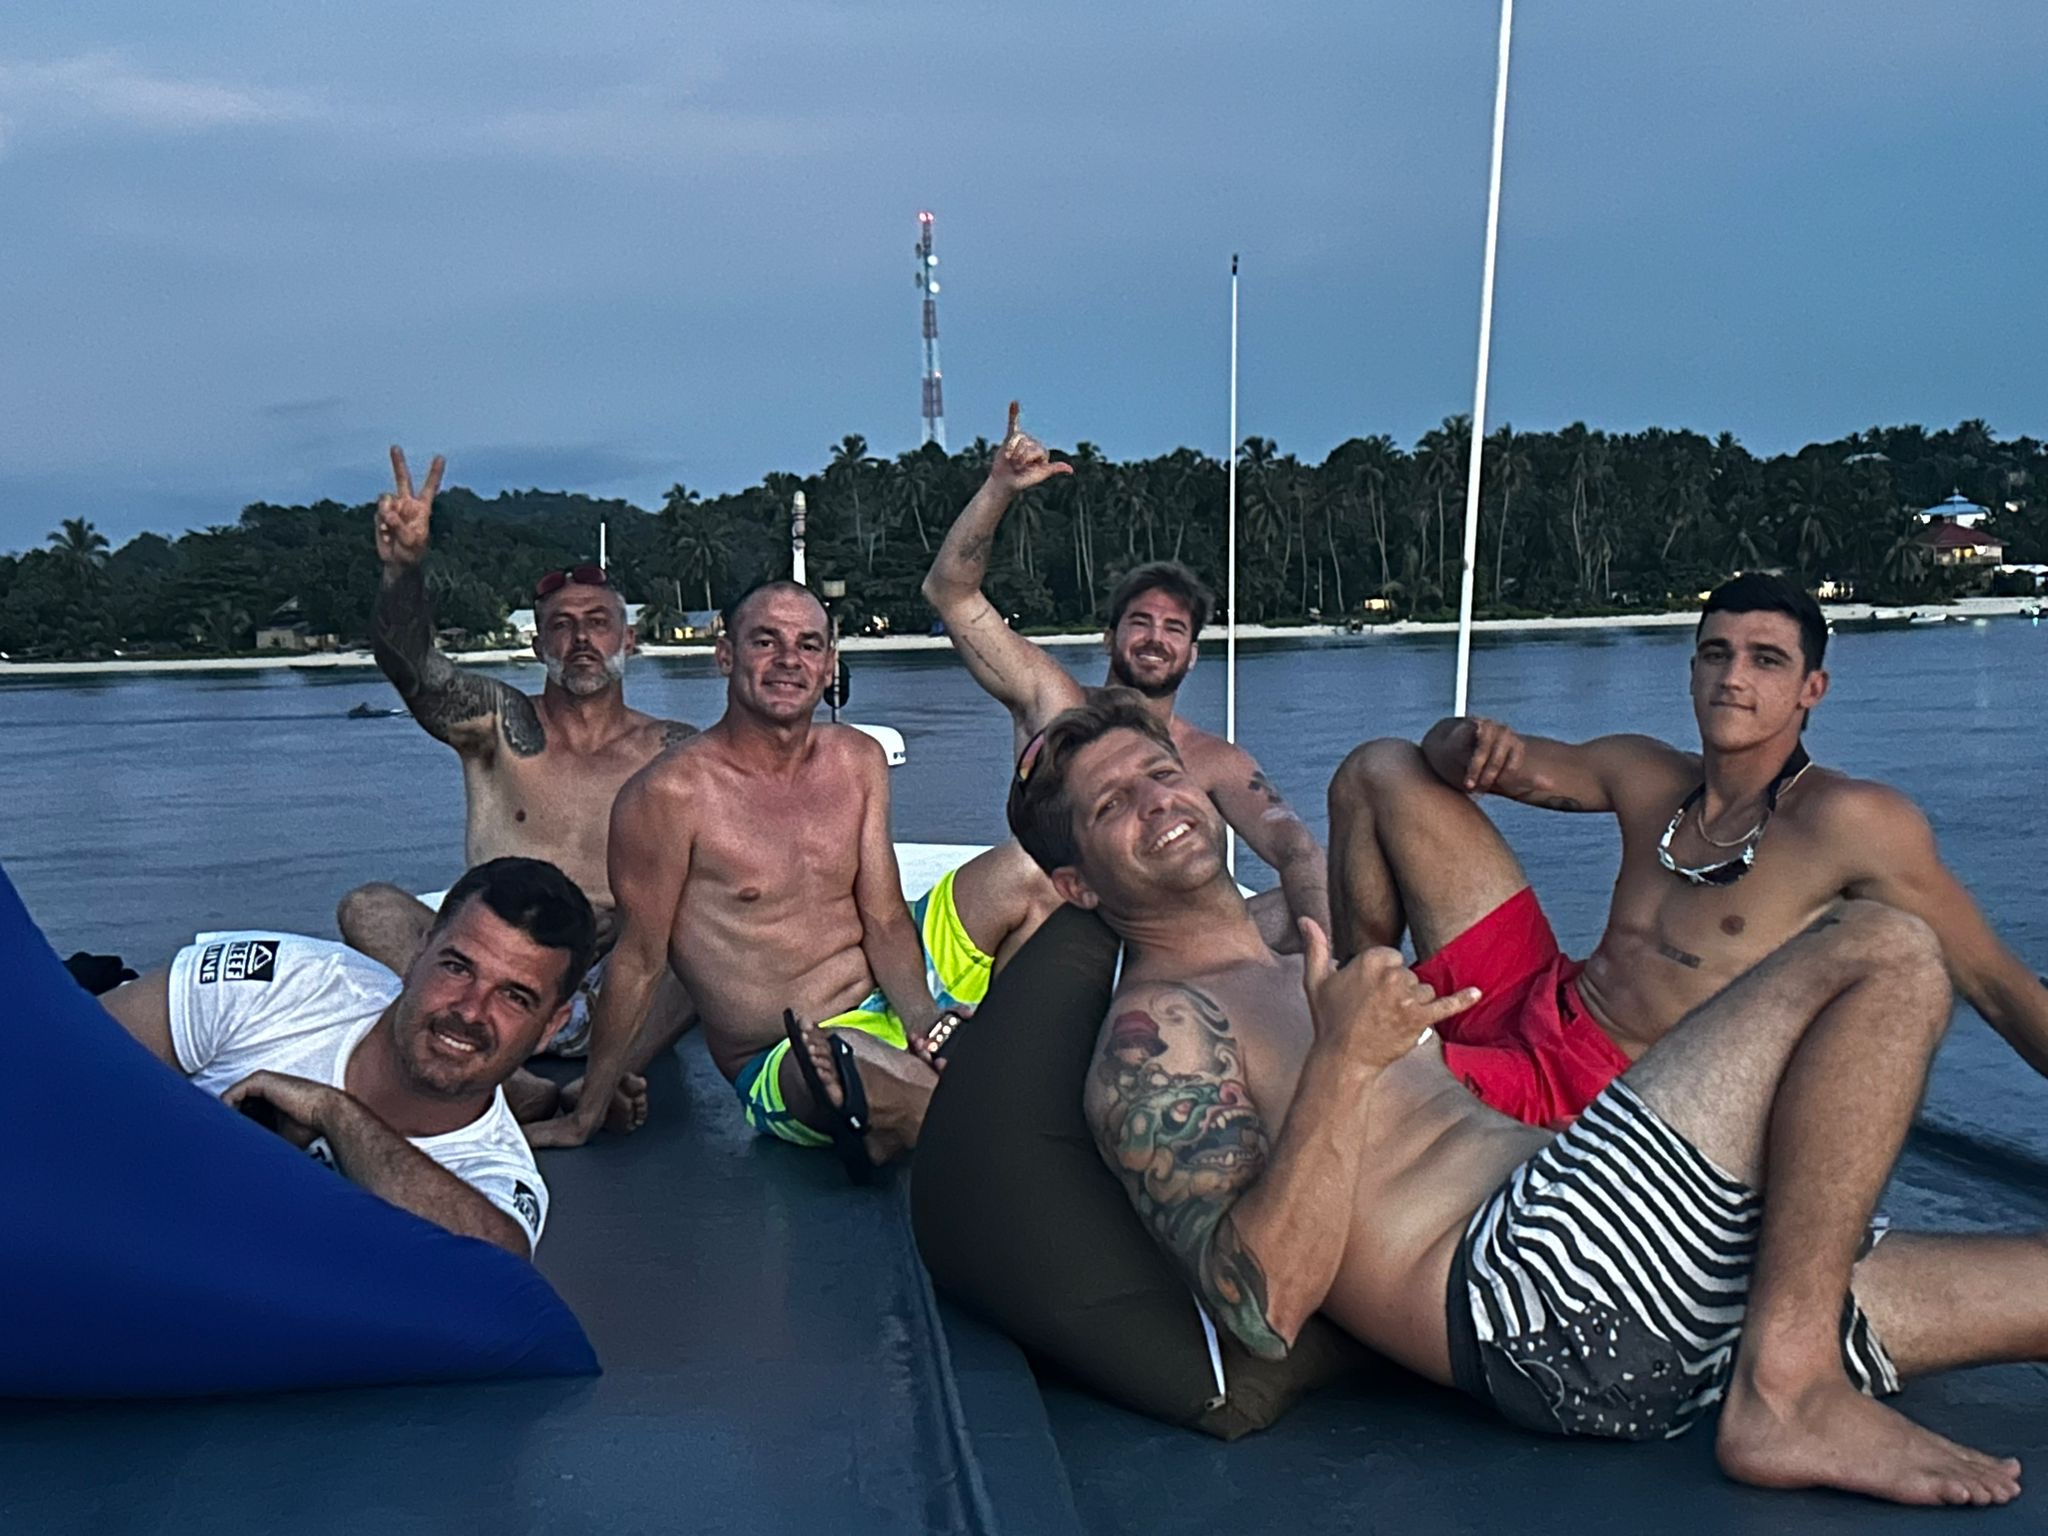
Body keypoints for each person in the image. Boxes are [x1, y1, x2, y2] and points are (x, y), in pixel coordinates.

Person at [1013, 693, 2039, 1507]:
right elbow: (1259, 1312)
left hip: (1642, 1272)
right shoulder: (1158, 1034)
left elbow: (1331, 860)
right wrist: (1343, 1064)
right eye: (1113, 807)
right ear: (1076, 886)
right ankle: (1788, 1390)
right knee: (1886, 946)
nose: (1157, 802)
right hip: (1536, 1289)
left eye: (1161, 774)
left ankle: (1784, 1354)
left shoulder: (1292, 964)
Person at [1328, 571, 2048, 1126]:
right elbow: (1482, 761)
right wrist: (1464, 741)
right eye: (1716, 654)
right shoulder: (1646, 772)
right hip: (1540, 1000)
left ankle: (1373, 1048)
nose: (1733, 677)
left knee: (1349, 1077)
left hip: (1608, 1102)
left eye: (1766, 660)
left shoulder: (1851, 820)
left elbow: (1994, 983)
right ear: (1693, 671)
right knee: (1382, 766)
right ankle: (1364, 990)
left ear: (1812, 688)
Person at [526, 580, 1057, 1167]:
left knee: (1036, 873)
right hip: (790, 1047)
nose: (788, 660)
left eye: (808, 645)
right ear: (725, 656)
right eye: (765, 641)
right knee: (849, 1065)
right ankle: (960, 1106)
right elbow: (640, 962)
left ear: (828, 665)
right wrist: (589, 1108)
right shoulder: (667, 797)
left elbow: (884, 917)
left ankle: (968, 1070)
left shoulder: (857, 759)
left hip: (900, 987)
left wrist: (925, 1024)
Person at [337, 446, 697, 1122]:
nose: (581, 639)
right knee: (367, 908)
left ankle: (610, 1073)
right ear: (537, 647)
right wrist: (402, 572)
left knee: (701, 929)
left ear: (630, 640)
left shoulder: (675, 750)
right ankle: (519, 1084)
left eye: (598, 623)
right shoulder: (497, 725)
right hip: (495, 983)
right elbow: (411, 667)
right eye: (561, 626)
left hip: (621, 990)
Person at [921, 403, 1329, 946]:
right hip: (1046, 934)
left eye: (1174, 628)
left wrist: (1327, 958)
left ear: (1192, 654)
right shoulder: (1055, 701)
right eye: (1141, 622)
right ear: (1109, 638)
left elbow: (1295, 849)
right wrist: (1000, 488)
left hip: (1151, 948)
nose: (1156, 638)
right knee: (1032, 869)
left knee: (1337, 888)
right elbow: (950, 592)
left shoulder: (1215, 761)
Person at [98, 858, 597, 1258]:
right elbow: (75, 1060)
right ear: (419, 953)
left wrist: (333, 1113)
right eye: (456, 967)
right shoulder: (282, 981)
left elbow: (495, 1267)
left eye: (514, 997)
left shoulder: (494, 1174)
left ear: (551, 1027)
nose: (470, 1010)